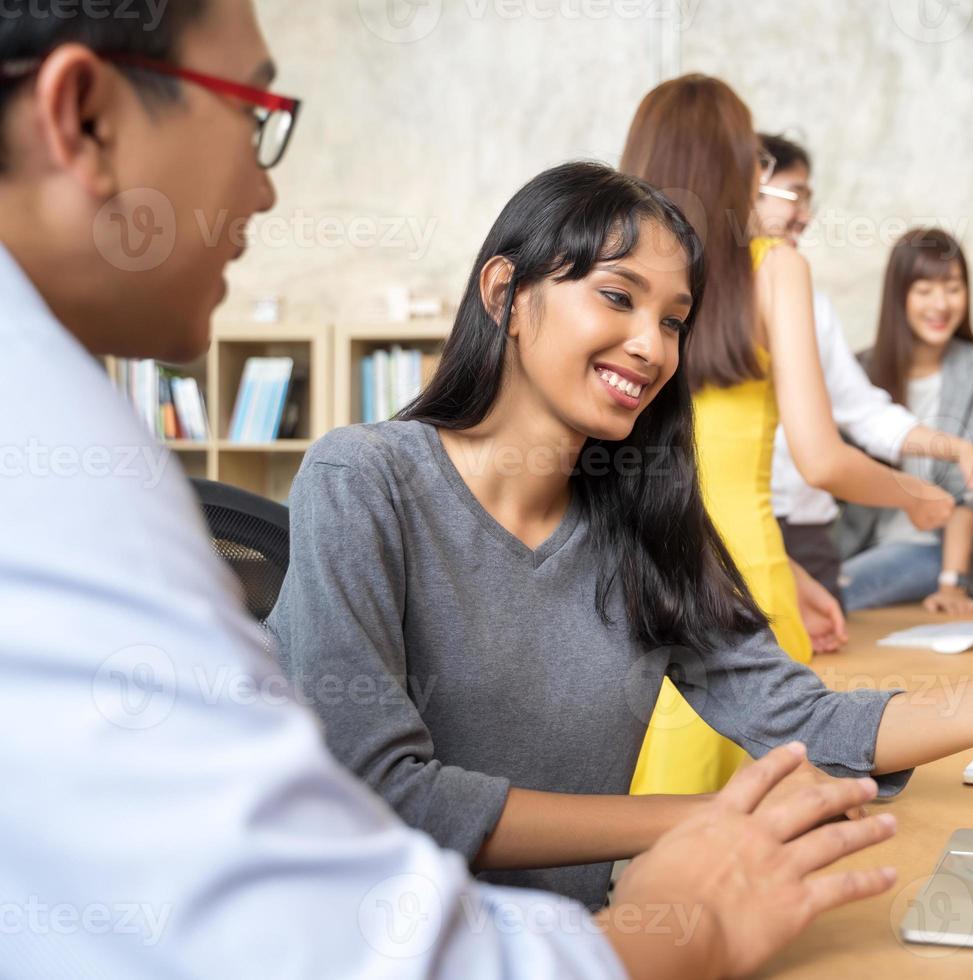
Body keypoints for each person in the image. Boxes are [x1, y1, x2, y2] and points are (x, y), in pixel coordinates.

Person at [0, 5, 902, 977]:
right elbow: (314, 904)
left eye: (673, 317)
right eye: (255, 112)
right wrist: (680, 898)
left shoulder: (639, 512)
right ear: (85, 119)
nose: (265, 187)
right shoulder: (114, 482)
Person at [621, 75, 973, 793]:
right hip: (739, 587)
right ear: (736, 163)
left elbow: (672, 476)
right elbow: (822, 457)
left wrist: (797, 575)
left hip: (650, 575)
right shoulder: (773, 270)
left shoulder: (619, 282)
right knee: (771, 819)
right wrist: (913, 495)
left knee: (664, 829)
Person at [755, 133, 973, 637]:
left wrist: (953, 450)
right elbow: (827, 457)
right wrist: (911, 494)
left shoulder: (813, 305)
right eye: (794, 196)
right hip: (738, 531)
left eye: (809, 199)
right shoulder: (696, 294)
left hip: (809, 532)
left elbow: (863, 413)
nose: (805, 215)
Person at [837, 228, 973, 614]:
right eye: (924, 289)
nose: (941, 304)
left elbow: (966, 489)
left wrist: (952, 583)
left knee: (832, 599)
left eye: (953, 287)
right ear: (899, 296)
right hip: (857, 546)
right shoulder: (859, 369)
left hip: (932, 547)